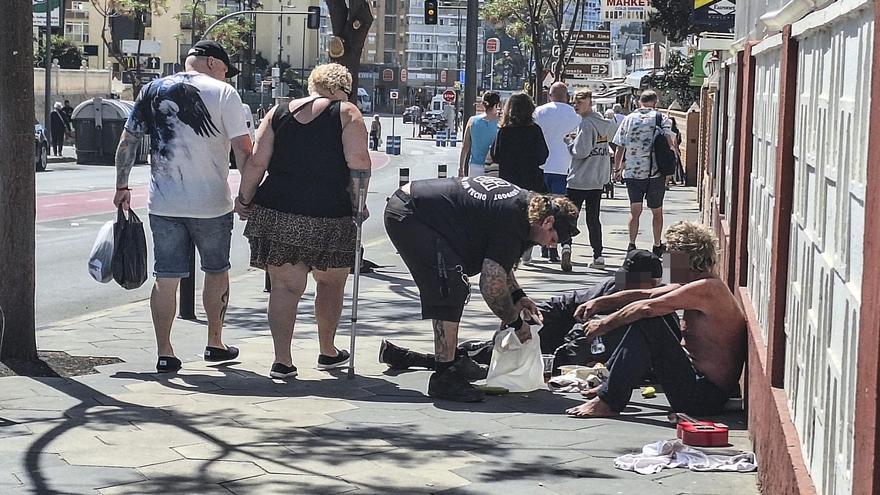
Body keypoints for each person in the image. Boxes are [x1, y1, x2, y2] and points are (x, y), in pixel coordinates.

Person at [113, 40, 253, 373]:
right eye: (225, 69)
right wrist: (247, 196)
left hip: (164, 202)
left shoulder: (152, 89)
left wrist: (122, 185)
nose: (226, 75)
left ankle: (165, 352)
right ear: (211, 62)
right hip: (211, 203)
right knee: (216, 271)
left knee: (166, 276)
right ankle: (214, 343)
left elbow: (128, 140)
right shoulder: (223, 93)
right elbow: (244, 151)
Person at [383, 176, 580, 401]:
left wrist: (518, 295)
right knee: (450, 285)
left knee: (453, 281)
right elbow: (490, 285)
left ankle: (451, 362)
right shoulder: (514, 219)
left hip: (421, 208)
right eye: (553, 239)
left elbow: (500, 262)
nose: (550, 245)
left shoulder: (526, 211)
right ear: (547, 222)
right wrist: (517, 323)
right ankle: (444, 377)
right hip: (411, 214)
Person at [235, 63, 371, 379]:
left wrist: (244, 199)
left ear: (313, 85)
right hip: (330, 212)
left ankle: (282, 360)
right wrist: (359, 203)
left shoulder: (278, 112)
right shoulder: (347, 113)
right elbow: (359, 163)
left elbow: (257, 162)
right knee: (331, 283)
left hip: (278, 210)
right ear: (342, 89)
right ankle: (327, 350)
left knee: (284, 287)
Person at [566, 221, 746, 418]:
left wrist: (603, 325)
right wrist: (599, 303)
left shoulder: (708, 289)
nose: (665, 264)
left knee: (649, 321)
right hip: (697, 382)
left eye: (668, 257)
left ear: (685, 258)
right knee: (659, 315)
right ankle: (609, 384)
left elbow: (646, 308)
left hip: (703, 396)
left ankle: (609, 400)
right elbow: (648, 294)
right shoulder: (696, 283)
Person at [378, 249, 664, 373]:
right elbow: (569, 302)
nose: (621, 286)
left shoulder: (656, 308)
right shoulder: (610, 288)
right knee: (496, 350)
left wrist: (556, 356)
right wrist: (532, 317)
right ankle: (426, 358)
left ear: (651, 284)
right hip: (562, 343)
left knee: (487, 366)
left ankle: (416, 359)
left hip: (576, 357)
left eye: (631, 281)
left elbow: (593, 338)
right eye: (621, 279)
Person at [612, 90, 679, 256]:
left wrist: (617, 169)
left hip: (633, 173)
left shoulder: (628, 119)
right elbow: (669, 143)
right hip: (655, 173)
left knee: (635, 211)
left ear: (639, 102)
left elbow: (620, 146)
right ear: (655, 102)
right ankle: (656, 244)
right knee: (657, 212)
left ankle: (631, 245)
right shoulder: (661, 118)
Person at [562, 89, 618, 271]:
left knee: (570, 215)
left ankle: (566, 246)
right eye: (574, 102)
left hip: (579, 178)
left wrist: (569, 143)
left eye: (579, 102)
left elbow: (581, 152)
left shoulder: (586, 124)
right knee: (593, 218)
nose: (575, 106)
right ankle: (598, 254)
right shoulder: (605, 124)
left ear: (589, 102)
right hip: (597, 178)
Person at [533, 82, 581, 264]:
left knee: (543, 209)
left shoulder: (539, 112)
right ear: (567, 96)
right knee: (562, 209)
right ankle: (563, 245)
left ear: (549, 95)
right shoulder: (575, 115)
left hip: (543, 167)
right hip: (565, 167)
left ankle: (545, 245)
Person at [490, 92, 548, 192]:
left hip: (508, 181)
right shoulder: (535, 130)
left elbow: (495, 156)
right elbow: (542, 157)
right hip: (531, 181)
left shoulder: (504, 132)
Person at [458, 91, 500, 178]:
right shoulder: (500, 123)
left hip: (475, 166)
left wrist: (461, 168)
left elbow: (465, 147)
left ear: (483, 104)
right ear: (497, 105)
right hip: (494, 167)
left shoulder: (472, 121)